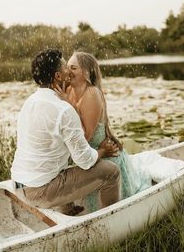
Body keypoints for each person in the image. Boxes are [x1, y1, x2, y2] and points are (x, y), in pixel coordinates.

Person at [11, 49, 121, 213]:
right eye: (65, 67)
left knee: (60, 164)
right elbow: (85, 160)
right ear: (57, 76)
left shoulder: (30, 102)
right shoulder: (63, 110)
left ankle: (69, 211)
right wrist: (103, 151)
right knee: (112, 172)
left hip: (18, 184)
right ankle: (112, 218)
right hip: (40, 191)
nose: (68, 71)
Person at [59, 51, 151, 212]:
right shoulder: (68, 90)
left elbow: (84, 137)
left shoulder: (91, 94)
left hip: (101, 156)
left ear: (87, 72)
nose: (68, 72)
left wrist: (68, 104)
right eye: (67, 67)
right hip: (85, 156)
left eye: (74, 68)